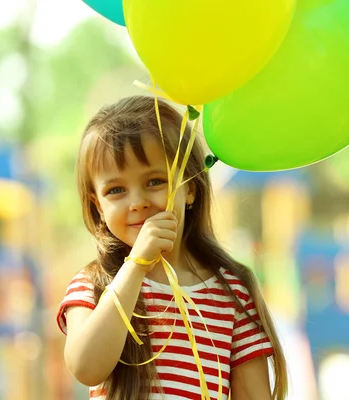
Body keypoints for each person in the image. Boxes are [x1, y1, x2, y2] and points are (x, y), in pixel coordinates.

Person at [56, 96, 288, 400]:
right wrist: (136, 265)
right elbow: (85, 366)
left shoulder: (232, 292)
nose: (137, 201)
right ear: (96, 205)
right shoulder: (95, 285)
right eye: (116, 190)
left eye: (154, 181)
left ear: (190, 187)